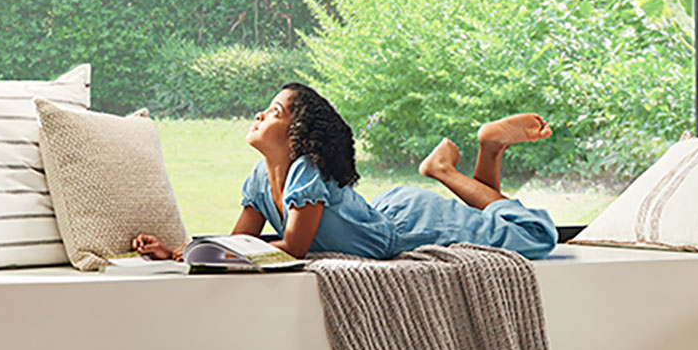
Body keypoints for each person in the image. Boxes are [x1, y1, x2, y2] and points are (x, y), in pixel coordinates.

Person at [132, 82, 560, 261]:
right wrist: (180, 250)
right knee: (491, 225)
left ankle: (446, 168)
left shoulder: (305, 172)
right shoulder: (259, 180)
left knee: (533, 234)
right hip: (386, 213)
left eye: (276, 111)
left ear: (298, 136)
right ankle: (492, 148)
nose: (261, 113)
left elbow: (294, 248)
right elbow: (242, 242)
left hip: (411, 228)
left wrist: (200, 252)